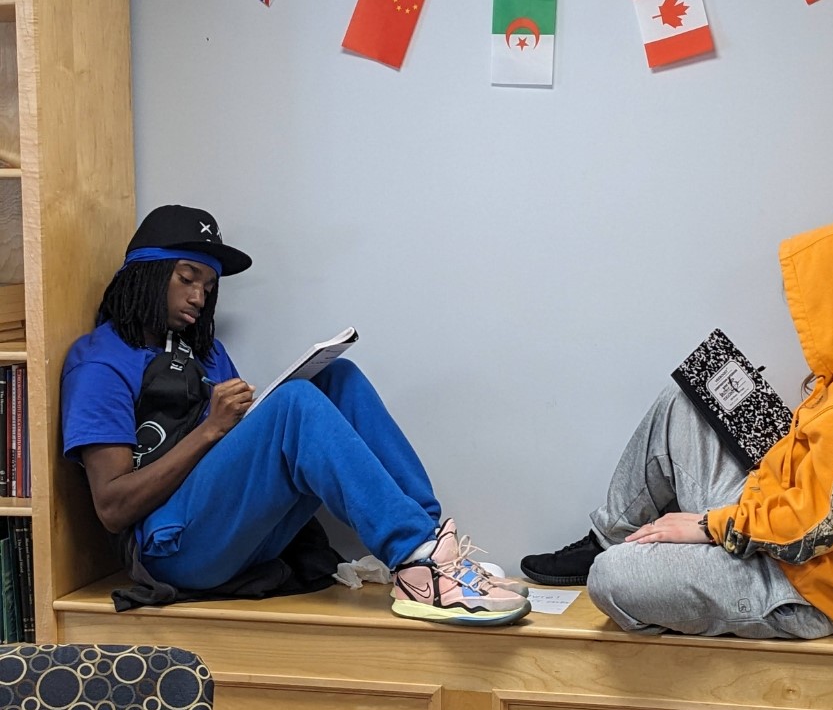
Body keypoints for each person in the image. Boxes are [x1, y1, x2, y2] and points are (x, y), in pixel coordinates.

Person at [62, 205, 527, 626]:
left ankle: (429, 549)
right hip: (172, 553)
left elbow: (239, 463)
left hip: (235, 534)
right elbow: (113, 508)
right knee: (294, 404)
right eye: (187, 278)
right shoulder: (100, 362)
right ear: (147, 272)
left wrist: (237, 424)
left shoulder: (206, 354)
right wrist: (209, 430)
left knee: (337, 376)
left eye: (208, 286)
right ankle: (418, 561)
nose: (200, 298)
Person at [519, 221, 833, 640]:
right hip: (776, 520)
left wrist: (706, 527)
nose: (795, 312)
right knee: (691, 394)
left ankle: (622, 557)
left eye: (809, 301)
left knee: (611, 577)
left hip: (802, 585)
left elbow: (814, 530)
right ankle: (607, 537)